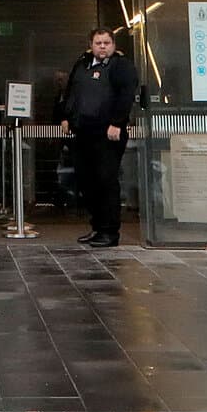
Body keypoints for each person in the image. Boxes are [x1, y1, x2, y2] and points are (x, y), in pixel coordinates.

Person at [58, 27, 138, 248]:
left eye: (106, 43)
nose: (102, 47)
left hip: (107, 133)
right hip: (82, 132)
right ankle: (97, 227)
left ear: (113, 44)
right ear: (91, 45)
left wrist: (117, 122)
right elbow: (71, 92)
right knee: (86, 181)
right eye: (98, 43)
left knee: (105, 180)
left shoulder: (122, 66)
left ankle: (110, 232)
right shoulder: (82, 64)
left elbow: (126, 95)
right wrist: (65, 116)